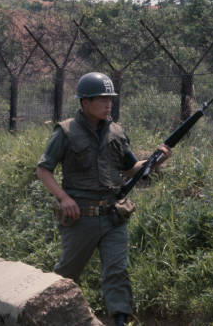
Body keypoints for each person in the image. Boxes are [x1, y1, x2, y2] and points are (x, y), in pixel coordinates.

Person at [36, 72, 171, 326]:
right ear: (85, 102)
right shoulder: (66, 132)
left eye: (110, 99)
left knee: (117, 272)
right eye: (102, 99)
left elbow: (132, 169)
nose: (108, 104)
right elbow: (43, 170)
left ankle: (120, 320)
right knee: (67, 275)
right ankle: (46, 316)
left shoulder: (117, 133)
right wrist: (63, 198)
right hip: (80, 218)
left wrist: (156, 160)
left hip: (113, 217)